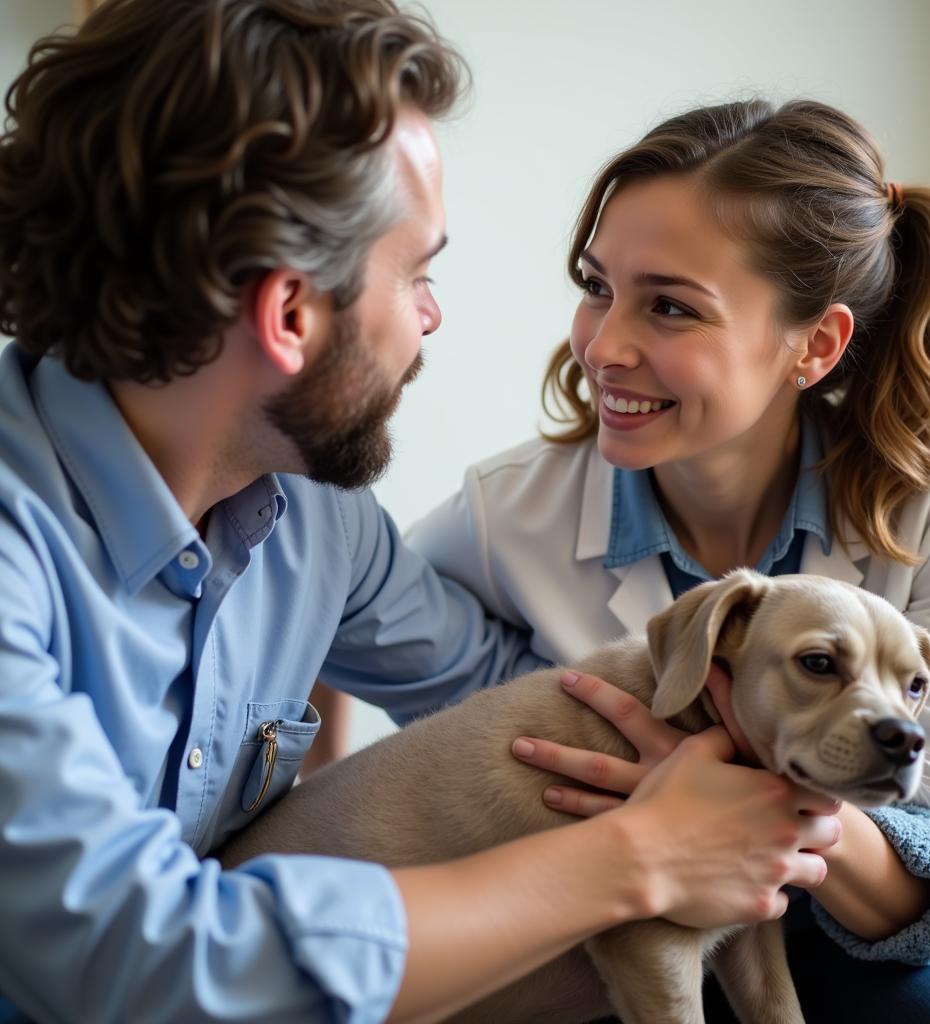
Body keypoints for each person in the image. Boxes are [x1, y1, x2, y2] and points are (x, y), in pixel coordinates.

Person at [0, 3, 846, 1022]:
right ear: (290, 313)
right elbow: (149, 961)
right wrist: (633, 858)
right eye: (418, 273)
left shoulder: (317, 524)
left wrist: (709, 750)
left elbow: (516, 703)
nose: (433, 316)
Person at [406, 99, 930, 1021]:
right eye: (596, 286)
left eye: (669, 306)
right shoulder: (512, 510)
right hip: (634, 924)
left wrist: (749, 810)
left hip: (870, 924)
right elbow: (345, 604)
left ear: (814, 344)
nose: (602, 348)